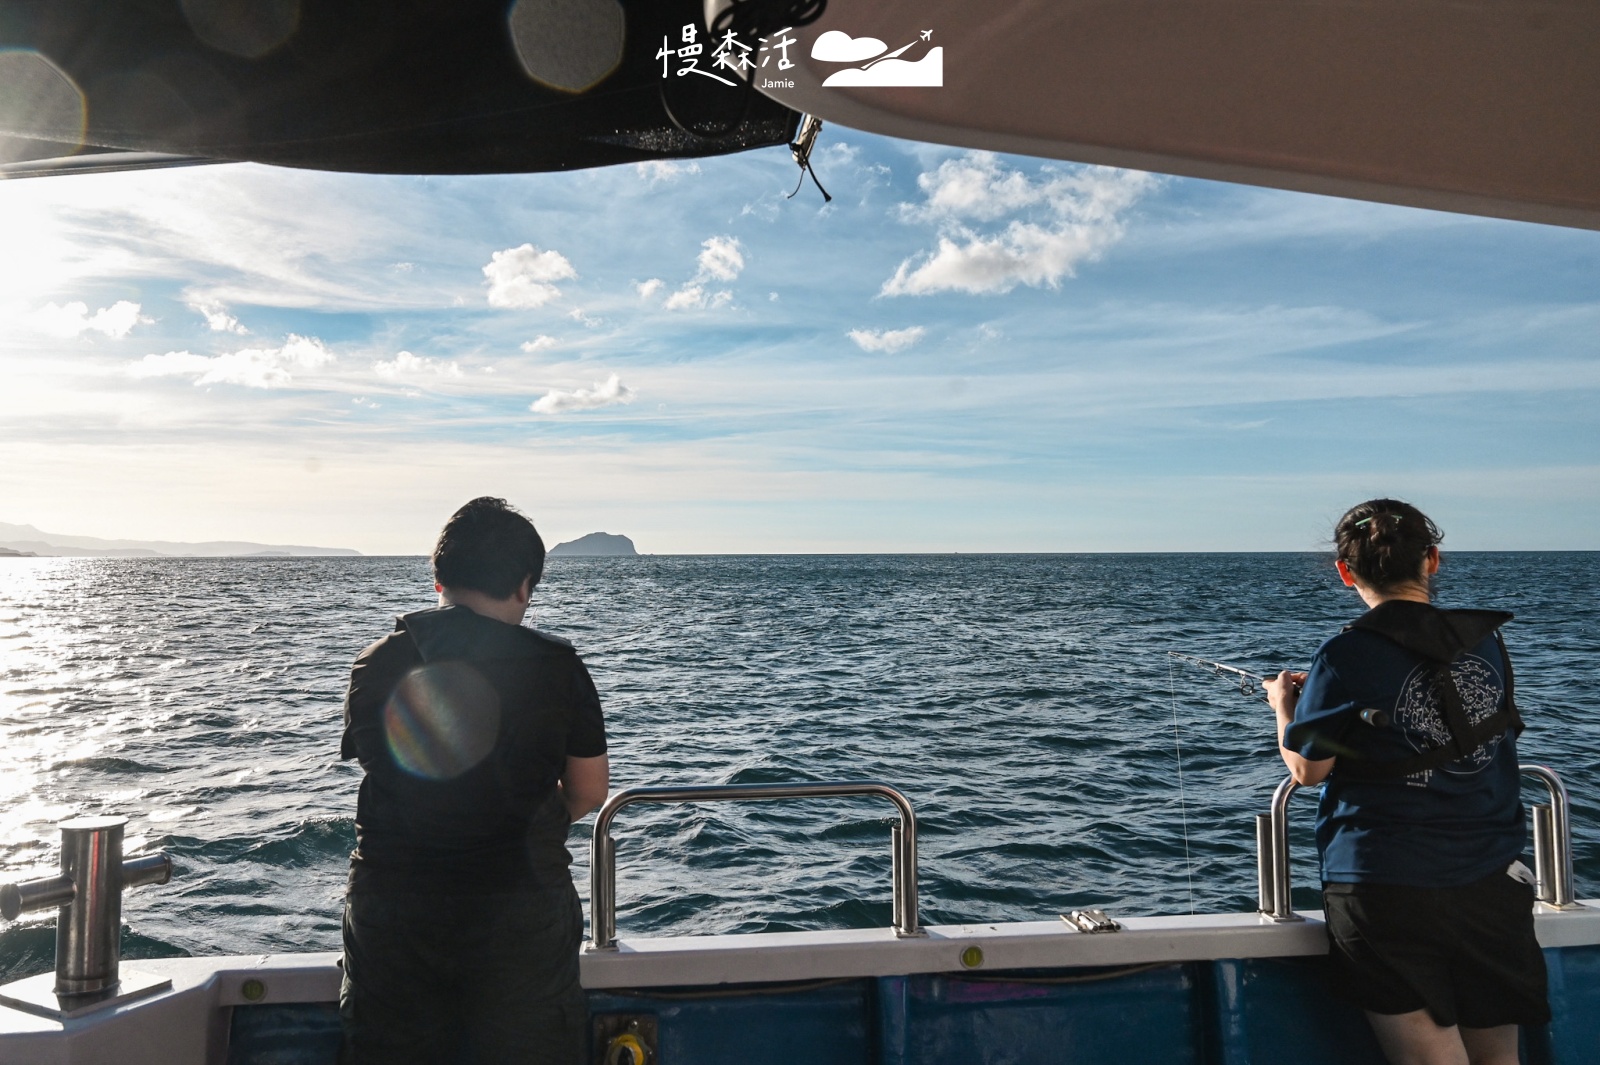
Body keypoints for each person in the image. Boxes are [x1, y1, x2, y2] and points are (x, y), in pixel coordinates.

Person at [1264, 499, 1549, 1065]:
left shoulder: (1344, 653)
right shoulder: (1486, 641)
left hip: (1385, 885)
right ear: (1433, 559)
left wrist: (1282, 707)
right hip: (1492, 881)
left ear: (1347, 572)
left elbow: (1307, 770)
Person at [338, 497, 609, 1065]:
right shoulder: (558, 666)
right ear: (525, 585)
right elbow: (587, 793)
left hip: (396, 907)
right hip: (521, 910)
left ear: (437, 577)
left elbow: (386, 772)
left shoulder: (375, 663)